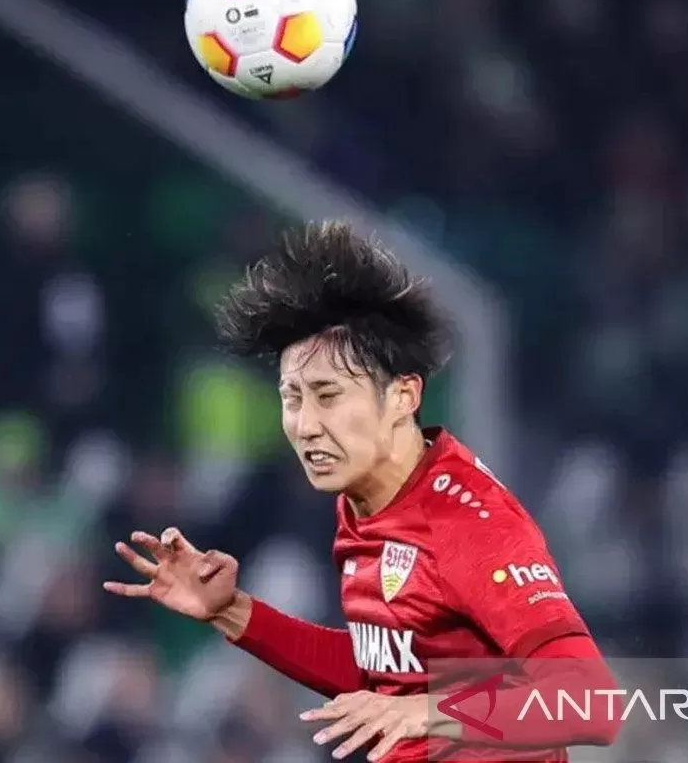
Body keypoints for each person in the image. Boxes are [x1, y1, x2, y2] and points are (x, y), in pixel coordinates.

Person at [105, 222, 620, 761]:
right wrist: (234, 612)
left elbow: (588, 704)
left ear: (402, 396)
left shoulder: (469, 524)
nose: (304, 424)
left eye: (328, 395)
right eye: (292, 398)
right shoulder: (362, 503)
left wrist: (423, 713)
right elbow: (386, 671)